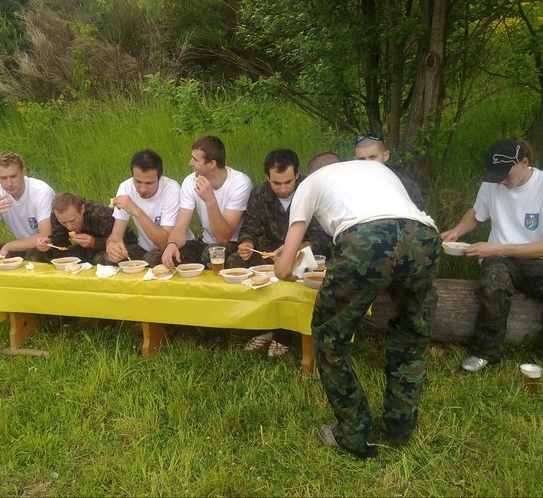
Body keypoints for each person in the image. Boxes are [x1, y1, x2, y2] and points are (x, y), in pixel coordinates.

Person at [275, 158, 441, 459]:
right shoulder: (377, 169)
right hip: (424, 236)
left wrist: (283, 262)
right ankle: (399, 427)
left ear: (310, 172)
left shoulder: (309, 184)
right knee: (412, 334)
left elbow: (284, 270)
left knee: (330, 338)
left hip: (366, 238)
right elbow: (399, 220)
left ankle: (354, 433)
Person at [442, 139, 543, 373]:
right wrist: (457, 231)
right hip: (500, 259)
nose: (501, 181)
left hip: (540, 258)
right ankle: (485, 352)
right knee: (492, 286)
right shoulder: (492, 182)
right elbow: (477, 213)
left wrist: (497, 248)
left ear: (524, 162)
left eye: (507, 174)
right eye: (497, 175)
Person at [226, 149, 331, 356]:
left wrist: (295, 249)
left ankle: (286, 332)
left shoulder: (311, 191)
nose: (283, 189)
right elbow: (250, 228)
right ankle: (263, 326)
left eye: (288, 182)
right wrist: (246, 243)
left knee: (296, 271)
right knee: (235, 261)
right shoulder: (260, 193)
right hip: (272, 251)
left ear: (297, 174)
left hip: (306, 251)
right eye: (276, 183)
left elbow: (322, 236)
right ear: (268, 178)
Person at [161, 135, 252, 268]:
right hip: (205, 242)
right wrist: (172, 244)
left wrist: (210, 201)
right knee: (166, 257)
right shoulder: (190, 181)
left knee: (210, 254)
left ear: (212, 164)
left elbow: (224, 237)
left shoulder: (240, 183)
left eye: (195, 160)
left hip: (233, 244)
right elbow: (180, 228)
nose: (190, 163)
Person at [106, 149, 188, 266]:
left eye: (149, 183)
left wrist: (136, 211)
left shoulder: (172, 190)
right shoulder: (125, 187)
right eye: (138, 182)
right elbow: (116, 234)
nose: (143, 189)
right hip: (143, 248)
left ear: (160, 177)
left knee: (151, 259)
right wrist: (112, 245)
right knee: (108, 259)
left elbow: (165, 242)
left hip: (174, 248)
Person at [0, 151, 55, 258]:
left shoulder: (40, 191)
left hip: (49, 246)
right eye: (3, 178)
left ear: (23, 172)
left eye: (13, 176)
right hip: (22, 246)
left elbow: (45, 236)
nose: (9, 183)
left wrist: (8, 246)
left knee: (33, 255)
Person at [36, 192, 139, 264]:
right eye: (63, 223)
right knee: (48, 256)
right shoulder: (57, 216)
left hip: (126, 248)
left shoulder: (99, 213)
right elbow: (61, 243)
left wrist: (94, 242)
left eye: (72, 221)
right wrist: (49, 244)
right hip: (87, 250)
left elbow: (122, 241)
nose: (69, 227)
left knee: (101, 259)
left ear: (82, 209)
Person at [355, 132, 425, 210]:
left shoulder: (402, 181)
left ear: (385, 156)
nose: (367, 163)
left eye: (373, 157)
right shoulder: (351, 182)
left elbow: (418, 210)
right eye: (361, 159)